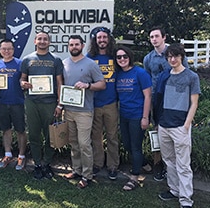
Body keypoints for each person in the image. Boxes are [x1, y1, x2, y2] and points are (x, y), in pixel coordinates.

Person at [154, 43, 200, 208]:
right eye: (169, 57)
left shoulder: (191, 77)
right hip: (164, 125)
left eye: (176, 56)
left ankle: (186, 201)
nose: (172, 59)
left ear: (182, 57)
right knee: (169, 160)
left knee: (183, 164)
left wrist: (187, 124)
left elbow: (194, 103)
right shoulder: (164, 76)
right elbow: (159, 100)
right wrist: (157, 122)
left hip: (180, 126)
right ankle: (174, 190)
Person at [143, 26, 189, 181]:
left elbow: (186, 75)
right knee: (158, 131)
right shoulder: (148, 59)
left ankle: (178, 169)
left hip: (176, 100)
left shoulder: (175, 53)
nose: (154, 39)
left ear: (164, 37)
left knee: (177, 133)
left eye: (156, 36)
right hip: (158, 100)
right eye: (151, 37)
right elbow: (148, 81)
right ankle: (159, 165)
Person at [62, 35, 106, 188]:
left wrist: (88, 86)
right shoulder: (64, 63)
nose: (74, 47)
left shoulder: (90, 64)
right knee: (73, 143)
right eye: (71, 44)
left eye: (76, 44)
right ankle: (76, 170)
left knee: (84, 144)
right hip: (68, 110)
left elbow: (102, 84)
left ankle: (87, 175)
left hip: (84, 111)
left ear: (82, 45)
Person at [20, 31, 64, 179]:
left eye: (45, 39)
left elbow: (59, 83)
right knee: (33, 134)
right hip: (32, 102)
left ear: (49, 42)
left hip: (50, 102)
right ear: (35, 41)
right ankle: (37, 164)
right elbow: (22, 79)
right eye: (40, 39)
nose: (42, 41)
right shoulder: (27, 59)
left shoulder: (56, 60)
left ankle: (47, 163)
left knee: (50, 135)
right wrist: (23, 84)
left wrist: (59, 104)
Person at [115, 46, 152, 191]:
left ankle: (135, 177)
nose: (122, 59)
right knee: (127, 145)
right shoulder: (118, 74)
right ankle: (144, 164)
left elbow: (148, 96)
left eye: (124, 56)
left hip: (137, 115)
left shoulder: (140, 73)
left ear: (130, 57)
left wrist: (145, 117)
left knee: (135, 146)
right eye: (119, 57)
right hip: (124, 115)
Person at [86, 27, 120, 180]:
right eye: (99, 38)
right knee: (96, 137)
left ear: (109, 39)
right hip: (94, 103)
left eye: (104, 37)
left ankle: (113, 166)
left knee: (112, 136)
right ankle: (98, 164)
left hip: (111, 103)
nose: (102, 40)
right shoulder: (89, 57)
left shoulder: (116, 56)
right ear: (95, 40)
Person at [0, 39, 27, 170]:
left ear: (13, 50)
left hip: (17, 102)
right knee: (5, 129)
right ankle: (8, 154)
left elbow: (24, 80)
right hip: (2, 102)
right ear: (0, 50)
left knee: (20, 130)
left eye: (9, 49)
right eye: (4, 49)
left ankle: (21, 156)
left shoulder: (20, 63)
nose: (6, 51)